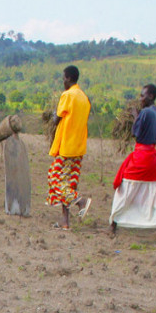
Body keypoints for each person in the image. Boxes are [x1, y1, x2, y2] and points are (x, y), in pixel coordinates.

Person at [109, 84, 156, 247]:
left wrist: (135, 116)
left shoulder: (144, 113)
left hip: (141, 158)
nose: (140, 99)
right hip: (154, 159)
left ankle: (112, 227)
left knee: (124, 190)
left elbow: (136, 133)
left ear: (150, 96)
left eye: (142, 96)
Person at [47, 65, 91, 229]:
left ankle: (81, 202)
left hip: (66, 147)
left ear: (70, 79)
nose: (63, 81)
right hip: (78, 147)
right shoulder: (84, 98)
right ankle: (65, 222)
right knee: (68, 183)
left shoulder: (68, 95)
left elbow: (57, 119)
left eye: (64, 78)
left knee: (54, 178)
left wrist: (53, 115)